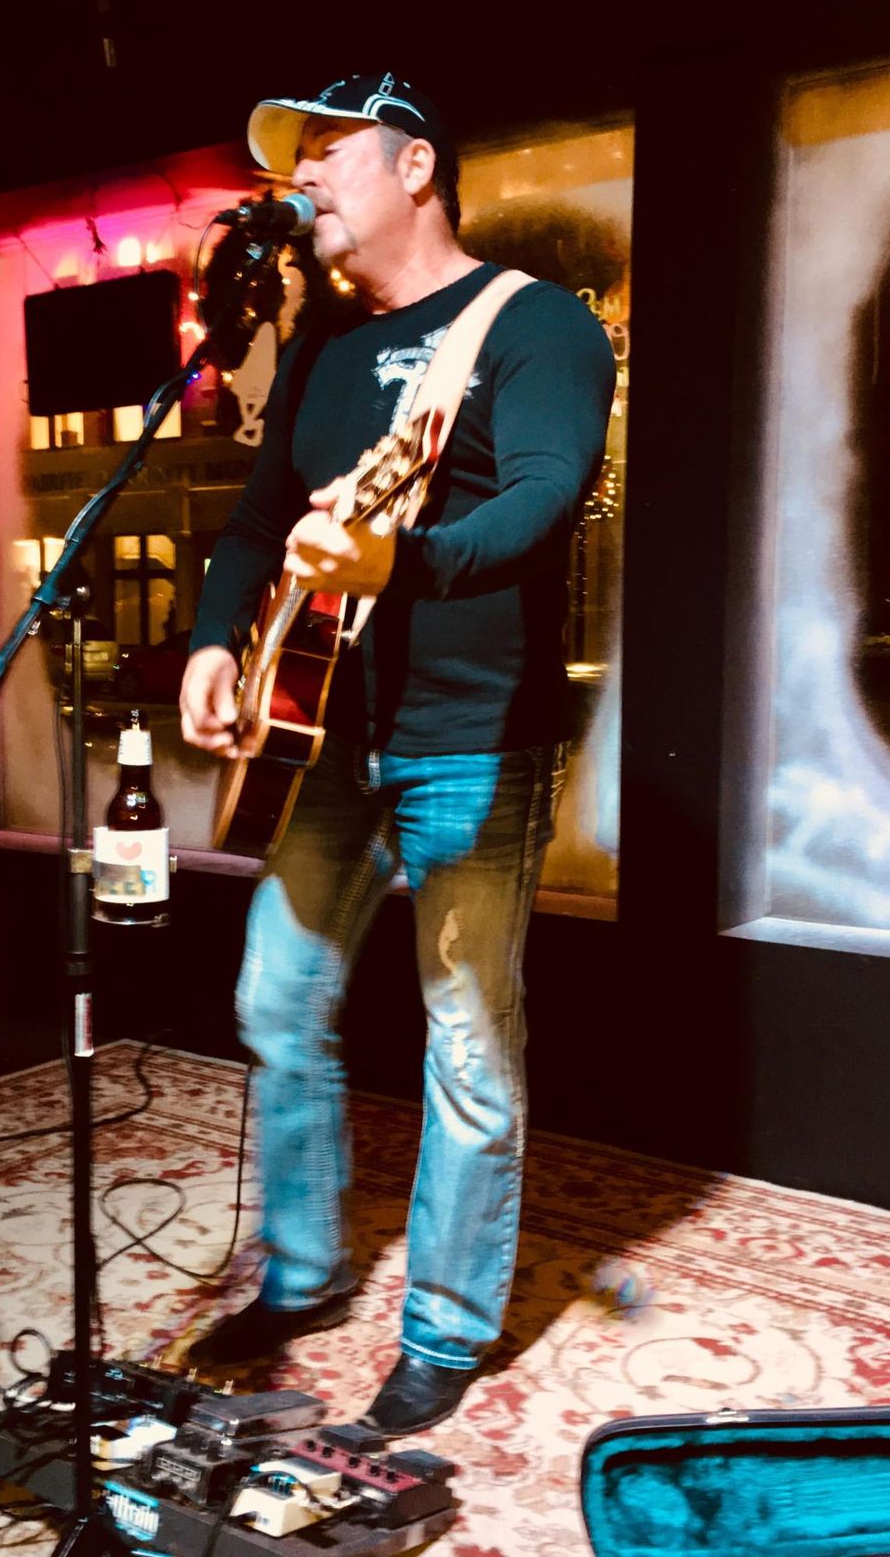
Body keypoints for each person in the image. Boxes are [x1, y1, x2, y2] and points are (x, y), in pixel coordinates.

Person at [179, 72, 616, 1435]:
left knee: (468, 1043)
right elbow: (258, 519)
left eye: (329, 150)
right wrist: (212, 640)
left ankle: (445, 1324)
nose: (304, 177)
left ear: (416, 166)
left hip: (473, 746)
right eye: (294, 159)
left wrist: (400, 561)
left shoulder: (534, 324)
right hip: (330, 743)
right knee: (275, 1000)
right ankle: (306, 1273)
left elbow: (542, 501)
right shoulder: (318, 348)